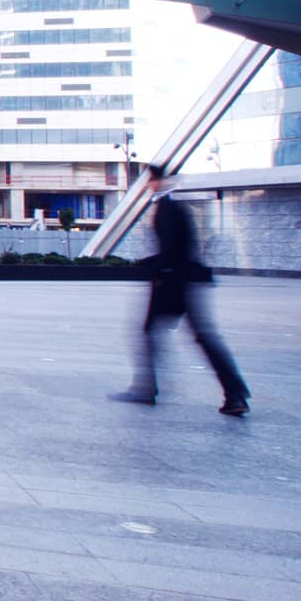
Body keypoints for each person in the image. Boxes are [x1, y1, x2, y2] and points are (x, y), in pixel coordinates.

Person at [109, 164, 250, 416]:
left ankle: (147, 389)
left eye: (148, 181)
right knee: (201, 338)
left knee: (152, 331)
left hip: (172, 283)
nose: (147, 186)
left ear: (155, 181)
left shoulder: (167, 208)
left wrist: (158, 269)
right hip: (183, 280)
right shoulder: (174, 208)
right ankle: (235, 392)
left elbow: (173, 248)